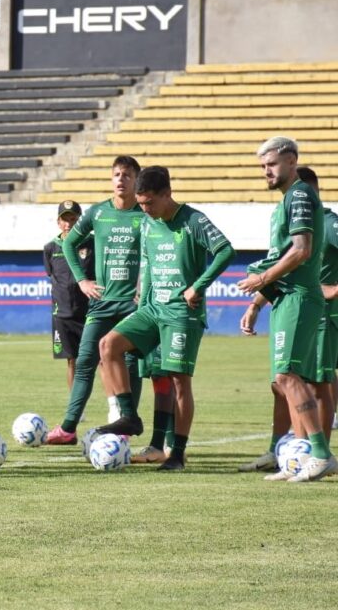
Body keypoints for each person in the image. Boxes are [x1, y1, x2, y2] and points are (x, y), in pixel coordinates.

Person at [95, 166, 234, 470]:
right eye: (141, 203)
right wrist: (141, 304)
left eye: (149, 203)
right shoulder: (147, 223)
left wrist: (198, 286)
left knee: (179, 382)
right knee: (108, 345)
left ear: (167, 194)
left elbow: (225, 250)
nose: (144, 209)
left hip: (182, 314)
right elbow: (147, 264)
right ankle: (129, 416)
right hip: (152, 309)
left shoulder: (193, 220)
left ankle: (178, 454)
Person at [237, 136, 337, 482]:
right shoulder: (285, 202)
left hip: (298, 298)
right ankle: (300, 454)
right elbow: (283, 254)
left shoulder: (299, 195)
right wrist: (258, 299)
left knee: (287, 376)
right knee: (292, 379)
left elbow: (301, 251)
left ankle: (320, 454)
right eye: (263, 166)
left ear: (292, 161)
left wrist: (261, 276)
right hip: (286, 298)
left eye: (272, 164)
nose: (267, 171)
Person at [44, 156, 145, 444]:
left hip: (132, 305)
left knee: (129, 362)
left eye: (127, 174)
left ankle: (125, 425)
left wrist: (144, 287)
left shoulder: (145, 214)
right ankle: (67, 428)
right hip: (101, 303)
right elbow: (68, 242)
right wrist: (82, 280)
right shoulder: (99, 212)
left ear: (136, 179)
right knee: (85, 360)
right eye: (116, 174)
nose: (121, 179)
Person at [43, 200, 94, 392]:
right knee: (72, 361)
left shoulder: (93, 243)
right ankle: (76, 408)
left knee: (101, 359)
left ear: (80, 221)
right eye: (65, 219)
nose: (68, 224)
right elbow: (52, 275)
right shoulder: (50, 248)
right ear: (58, 222)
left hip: (90, 311)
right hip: (63, 313)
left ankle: (114, 405)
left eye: (73, 219)